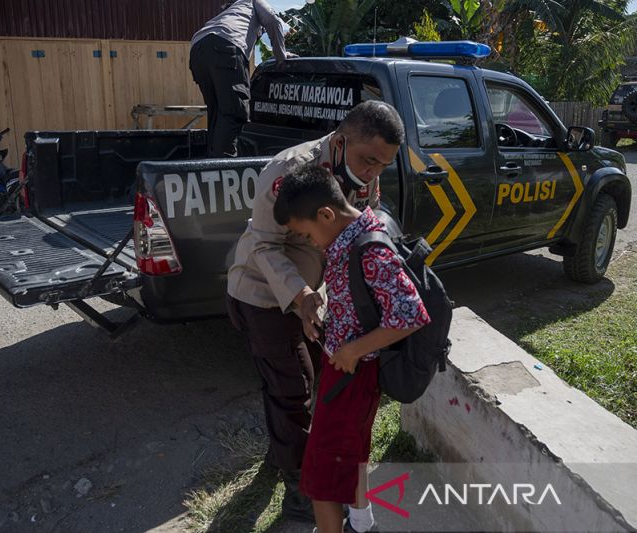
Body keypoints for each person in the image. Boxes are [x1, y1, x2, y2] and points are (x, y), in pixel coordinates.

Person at [225, 100, 405, 521]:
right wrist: (302, 295)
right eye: (368, 161)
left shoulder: (362, 174)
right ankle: (302, 487)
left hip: (314, 295)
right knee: (293, 387)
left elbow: (359, 224)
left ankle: (286, 455)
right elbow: (264, 245)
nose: (372, 174)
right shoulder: (288, 170)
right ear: (341, 143)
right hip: (264, 294)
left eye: (383, 166)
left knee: (300, 383)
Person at [273, 164, 430, 533]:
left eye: (307, 234)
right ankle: (362, 521)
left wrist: (353, 350)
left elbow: (410, 314)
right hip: (347, 370)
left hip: (351, 377)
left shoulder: (368, 250)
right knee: (349, 453)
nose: (310, 243)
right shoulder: (349, 237)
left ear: (326, 215)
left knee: (320, 477)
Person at [189, 0, 292, 157]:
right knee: (234, 111)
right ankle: (223, 166)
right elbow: (272, 20)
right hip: (224, 47)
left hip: (197, 50)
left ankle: (210, 163)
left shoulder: (227, 15)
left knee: (217, 112)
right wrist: (281, 57)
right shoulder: (252, 1)